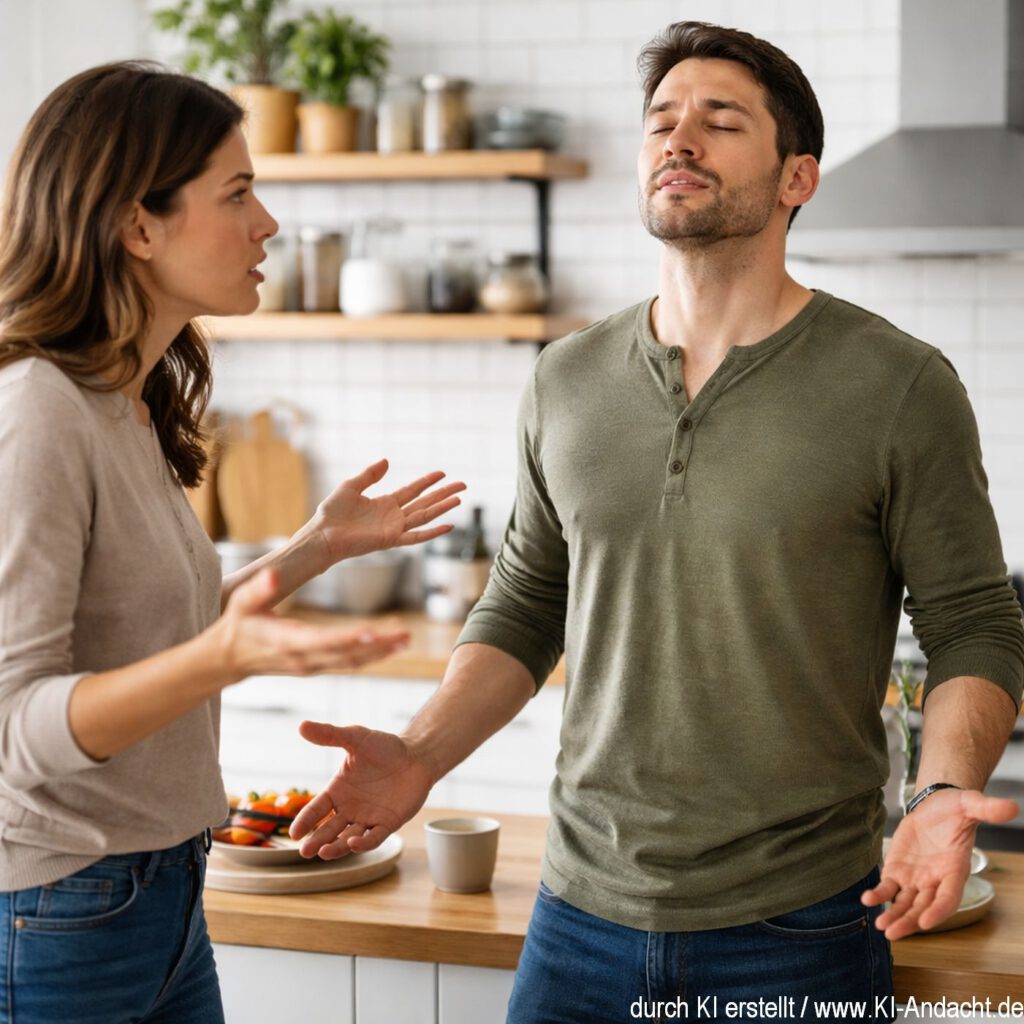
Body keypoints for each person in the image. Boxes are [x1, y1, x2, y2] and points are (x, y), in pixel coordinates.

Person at [288, 22, 1024, 1022]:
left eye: (719, 123)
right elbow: (524, 604)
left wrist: (940, 799)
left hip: (799, 925)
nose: (679, 140)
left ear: (796, 178)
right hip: (578, 915)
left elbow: (974, 621)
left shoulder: (896, 385)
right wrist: (419, 756)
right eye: (661, 122)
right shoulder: (565, 378)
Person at [0, 61, 465, 1024]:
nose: (269, 225)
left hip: (158, 896)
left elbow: (147, 633)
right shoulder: (36, 412)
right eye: (239, 193)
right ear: (137, 224)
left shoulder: (122, 401)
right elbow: (15, 732)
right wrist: (220, 657)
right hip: (61, 911)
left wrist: (313, 550)